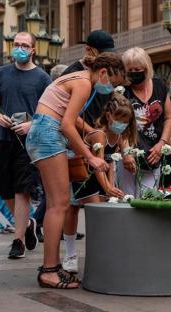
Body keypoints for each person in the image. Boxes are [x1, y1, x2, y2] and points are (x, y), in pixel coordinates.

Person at [26, 56, 110, 289]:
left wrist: (91, 130)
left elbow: (67, 116)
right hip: (48, 134)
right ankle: (49, 271)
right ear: (103, 72)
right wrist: (91, 157)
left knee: (58, 204)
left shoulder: (79, 78)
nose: (111, 86)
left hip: (43, 132)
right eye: (113, 79)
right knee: (59, 205)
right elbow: (66, 125)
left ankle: (51, 267)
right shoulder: (84, 84)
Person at [61, 52, 126, 273]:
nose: (121, 125)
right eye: (119, 120)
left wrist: (109, 186)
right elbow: (97, 161)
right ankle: (71, 254)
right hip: (83, 168)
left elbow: (111, 162)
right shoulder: (84, 83)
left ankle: (98, 254)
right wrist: (107, 186)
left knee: (94, 207)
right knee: (76, 207)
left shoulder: (117, 136)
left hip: (97, 170)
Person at [0, 32, 51, 259]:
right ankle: (27, 224)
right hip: (3, 139)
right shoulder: (1, 74)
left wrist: (30, 124)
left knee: (22, 190)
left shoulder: (42, 78)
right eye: (16, 44)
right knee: (3, 189)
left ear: (33, 50)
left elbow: (50, 111)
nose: (19, 48)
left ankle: (18, 241)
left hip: (28, 143)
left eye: (24, 45)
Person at [118, 47, 171, 196]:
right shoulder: (122, 90)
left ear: (146, 67)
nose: (134, 72)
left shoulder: (159, 85)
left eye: (138, 68)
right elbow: (118, 124)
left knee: (148, 199)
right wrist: (126, 152)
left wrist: (162, 144)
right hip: (128, 154)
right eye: (130, 69)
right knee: (128, 199)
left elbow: (169, 118)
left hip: (153, 153)